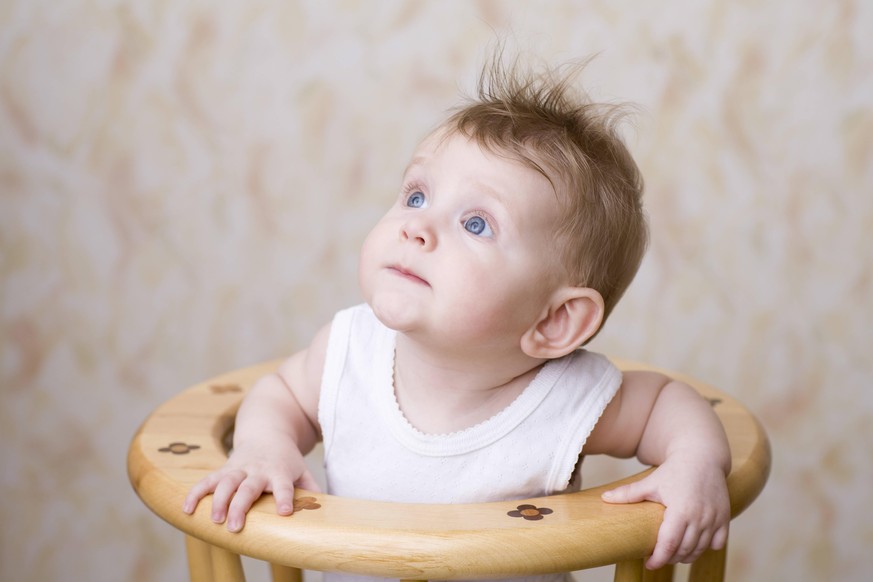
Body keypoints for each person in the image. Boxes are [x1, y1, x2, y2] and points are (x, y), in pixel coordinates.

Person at [183, 54, 731, 579]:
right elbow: (280, 394)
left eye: (475, 224)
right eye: (417, 196)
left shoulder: (563, 398)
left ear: (556, 320)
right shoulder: (350, 351)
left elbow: (667, 403)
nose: (415, 228)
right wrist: (264, 446)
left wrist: (696, 464)